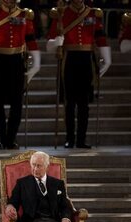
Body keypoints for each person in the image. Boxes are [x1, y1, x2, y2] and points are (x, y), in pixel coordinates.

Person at [0, 0, 41, 149]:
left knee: (16, 103)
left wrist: (36, 62)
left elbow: (30, 40)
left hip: (17, 61)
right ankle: (1, 138)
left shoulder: (24, 15)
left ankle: (11, 138)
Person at [46, 0, 111, 149]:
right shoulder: (61, 13)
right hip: (69, 59)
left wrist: (107, 59)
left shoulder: (93, 13)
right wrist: (57, 42)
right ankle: (70, 138)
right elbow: (49, 42)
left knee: (84, 104)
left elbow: (100, 37)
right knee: (69, 103)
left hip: (87, 59)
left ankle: (81, 139)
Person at [5, 151, 73, 222]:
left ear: (47, 166)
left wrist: (65, 219)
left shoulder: (58, 184)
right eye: (33, 165)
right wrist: (10, 207)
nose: (35, 169)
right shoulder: (22, 183)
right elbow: (13, 201)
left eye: (39, 166)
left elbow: (65, 206)